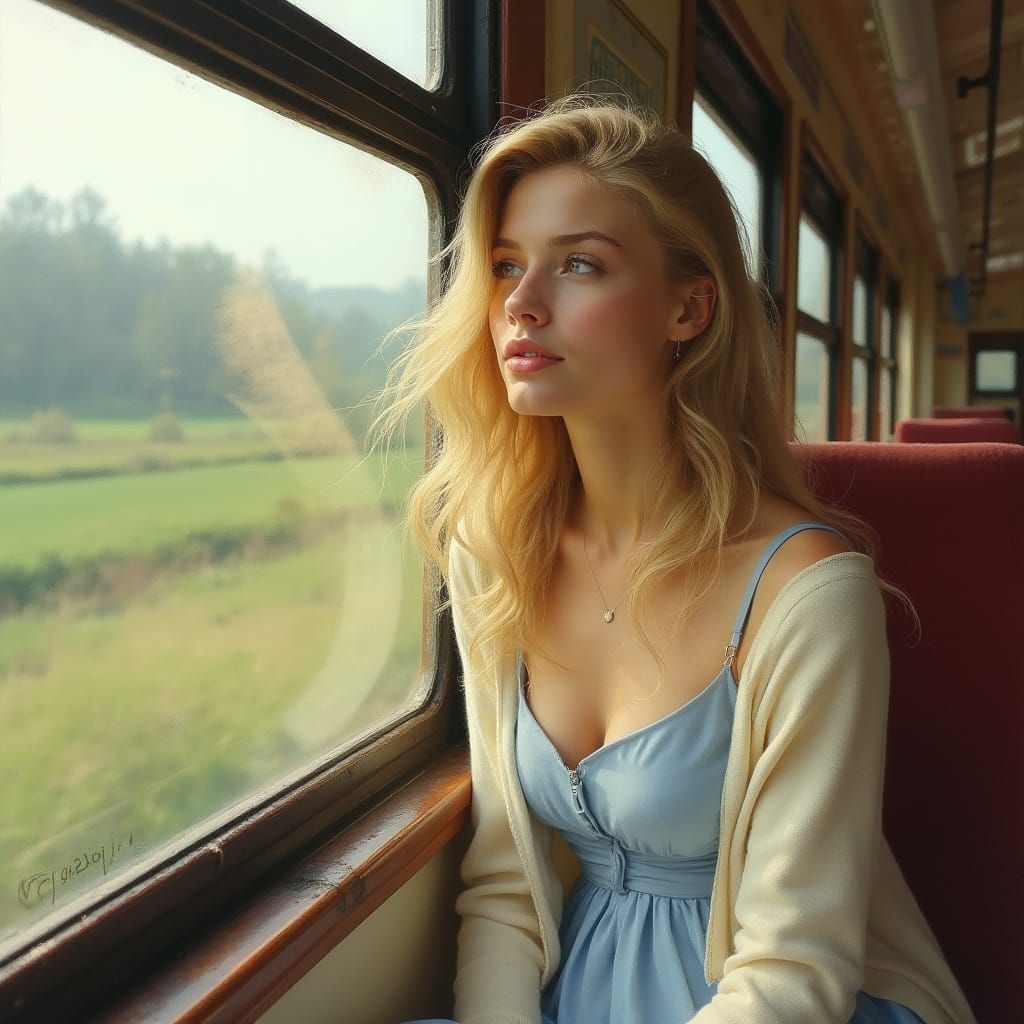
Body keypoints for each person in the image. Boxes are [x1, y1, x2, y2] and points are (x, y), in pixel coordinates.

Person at [368, 93, 977, 1024]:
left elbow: (794, 969)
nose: (520, 305)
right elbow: (503, 891)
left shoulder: (807, 595)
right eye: (503, 266)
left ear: (688, 308)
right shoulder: (496, 551)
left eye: (578, 264)